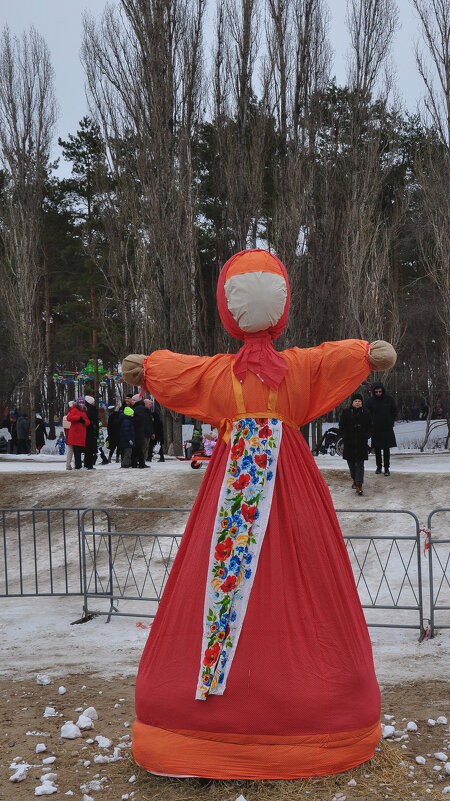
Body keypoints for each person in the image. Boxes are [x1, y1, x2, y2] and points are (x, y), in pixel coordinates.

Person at [122, 248, 397, 780]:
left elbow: (190, 374)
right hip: (274, 486)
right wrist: (366, 354)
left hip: (248, 486)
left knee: (232, 577)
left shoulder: (248, 371)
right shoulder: (277, 369)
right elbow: (322, 359)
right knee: (291, 576)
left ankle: (211, 718)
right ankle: (288, 710)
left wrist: (149, 367)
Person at [339, 392, 372, 495]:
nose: (357, 403)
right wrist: (345, 436)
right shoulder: (346, 412)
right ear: (352, 402)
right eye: (356, 401)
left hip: (361, 442)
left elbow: (370, 426)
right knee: (351, 464)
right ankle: (354, 478)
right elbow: (342, 426)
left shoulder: (366, 412)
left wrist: (366, 435)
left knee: (360, 464)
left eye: (359, 401)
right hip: (349, 442)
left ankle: (359, 484)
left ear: (361, 402)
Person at [366, 381, 397, 476]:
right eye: (376, 392)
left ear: (383, 390)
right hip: (376, 428)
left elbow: (394, 411)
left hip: (387, 427)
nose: (378, 393)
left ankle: (387, 468)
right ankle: (378, 467)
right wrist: (371, 423)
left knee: (386, 449)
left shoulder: (389, 399)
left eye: (380, 391)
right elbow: (367, 413)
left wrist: (391, 422)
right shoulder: (370, 401)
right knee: (377, 449)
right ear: (374, 392)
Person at [66, 399, 90, 469]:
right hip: (75, 433)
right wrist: (78, 418)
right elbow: (69, 418)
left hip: (81, 434)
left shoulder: (84, 411)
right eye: (80, 403)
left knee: (78, 450)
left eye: (83, 403)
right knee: (76, 451)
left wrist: (84, 421)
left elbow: (88, 422)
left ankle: (77, 465)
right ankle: (77, 465)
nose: (81, 404)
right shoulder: (74, 409)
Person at [131, 394, 148, 468]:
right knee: (136, 448)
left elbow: (139, 420)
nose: (132, 402)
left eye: (133, 400)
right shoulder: (138, 407)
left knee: (138, 448)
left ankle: (140, 463)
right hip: (138, 431)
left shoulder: (139, 408)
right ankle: (136, 463)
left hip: (138, 431)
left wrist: (132, 418)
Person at [83, 395, 99, 469]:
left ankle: (88, 464)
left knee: (89, 449)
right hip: (91, 432)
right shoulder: (91, 410)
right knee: (90, 449)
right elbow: (92, 421)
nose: (94, 403)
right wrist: (94, 427)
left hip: (91, 431)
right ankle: (88, 464)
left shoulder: (90, 410)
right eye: (93, 401)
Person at [62, 400, 76, 470]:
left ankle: (68, 465)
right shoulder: (74, 412)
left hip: (68, 435)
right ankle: (76, 464)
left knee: (70, 450)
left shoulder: (67, 414)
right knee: (76, 450)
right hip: (74, 434)